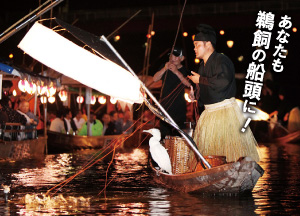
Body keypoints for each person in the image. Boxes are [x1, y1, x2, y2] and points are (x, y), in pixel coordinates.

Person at [188, 24, 260, 163]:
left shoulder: (222, 60)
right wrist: (195, 95)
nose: (194, 48)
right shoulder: (202, 66)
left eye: (197, 45)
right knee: (210, 154)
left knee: (230, 155)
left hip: (225, 113)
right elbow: (206, 90)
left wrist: (200, 80)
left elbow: (223, 81)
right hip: (209, 114)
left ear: (208, 44)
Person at [153, 46, 191, 138]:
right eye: (171, 56)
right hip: (164, 107)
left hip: (179, 108)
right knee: (163, 135)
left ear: (182, 58)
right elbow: (155, 79)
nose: (172, 58)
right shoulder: (165, 66)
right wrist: (164, 69)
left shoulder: (184, 70)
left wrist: (176, 72)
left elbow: (188, 84)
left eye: (176, 56)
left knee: (177, 135)